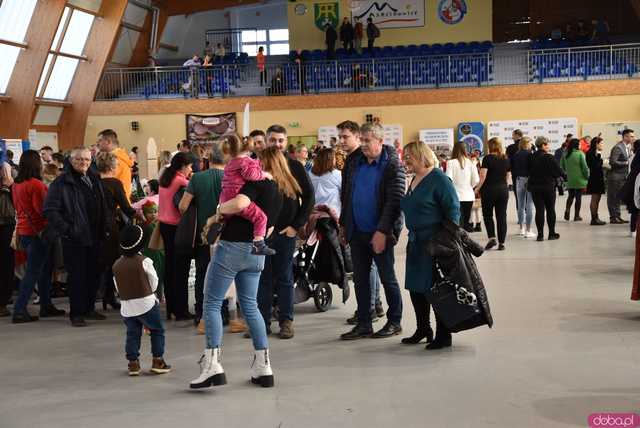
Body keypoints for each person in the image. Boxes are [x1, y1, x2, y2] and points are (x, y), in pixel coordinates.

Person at [190, 146, 291, 390]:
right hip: (256, 253)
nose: (252, 163)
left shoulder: (254, 185)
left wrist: (216, 212)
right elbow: (269, 226)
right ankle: (263, 365)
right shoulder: (280, 190)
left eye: (256, 160)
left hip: (232, 248)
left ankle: (212, 364)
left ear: (263, 163)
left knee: (212, 303)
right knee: (251, 306)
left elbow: (239, 203)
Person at [339, 122, 405, 340]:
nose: (364, 145)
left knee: (387, 278)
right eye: (362, 140)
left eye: (368, 141)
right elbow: (346, 196)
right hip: (357, 231)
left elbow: (395, 201)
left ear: (380, 141)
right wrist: (343, 224)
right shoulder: (354, 162)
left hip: (380, 233)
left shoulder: (392, 164)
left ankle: (394, 321)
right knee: (360, 279)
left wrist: (383, 231)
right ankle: (365, 323)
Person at [256, 125, 314, 339]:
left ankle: (286, 321)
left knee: (284, 278)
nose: (277, 144)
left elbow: (309, 197)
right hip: (261, 235)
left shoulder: (295, 167)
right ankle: (261, 322)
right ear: (266, 141)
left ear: (286, 141)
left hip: (285, 233)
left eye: (281, 140)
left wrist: (296, 226)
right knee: (262, 279)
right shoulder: (257, 166)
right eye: (273, 140)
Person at [401, 141, 460, 349]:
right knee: (416, 288)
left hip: (435, 243)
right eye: (404, 156)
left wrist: (445, 242)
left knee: (436, 290)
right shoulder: (415, 179)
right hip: (416, 242)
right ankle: (423, 328)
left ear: (421, 156)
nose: (404, 160)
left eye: (409, 156)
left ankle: (444, 334)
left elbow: (453, 212)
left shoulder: (439, 180)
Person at [44, 147, 109, 327]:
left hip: (95, 236)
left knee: (93, 274)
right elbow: (50, 210)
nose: (84, 163)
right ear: (71, 161)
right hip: (75, 238)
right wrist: (67, 229)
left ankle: (89, 308)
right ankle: (77, 313)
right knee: (77, 276)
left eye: (87, 160)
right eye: (79, 160)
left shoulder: (94, 179)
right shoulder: (62, 182)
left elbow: (102, 205)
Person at [337, 120, 384, 324]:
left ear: (358, 136)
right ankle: (376, 304)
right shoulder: (351, 159)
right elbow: (347, 194)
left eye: (345, 136)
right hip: (354, 219)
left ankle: (370, 307)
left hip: (367, 222)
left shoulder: (362, 159)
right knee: (366, 267)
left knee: (366, 268)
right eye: (340, 137)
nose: (341, 141)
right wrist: (343, 222)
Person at [11, 150, 66, 323]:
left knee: (43, 270)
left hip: (25, 230)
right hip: (40, 232)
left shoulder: (16, 184)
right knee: (34, 272)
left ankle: (46, 305)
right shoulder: (36, 184)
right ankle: (19, 310)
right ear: (36, 164)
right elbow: (43, 210)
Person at [113, 224, 171, 376]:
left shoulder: (117, 265)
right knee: (157, 330)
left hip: (127, 306)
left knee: (132, 333)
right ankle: (158, 360)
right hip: (146, 303)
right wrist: (151, 294)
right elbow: (154, 281)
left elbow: (117, 286)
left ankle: (133, 363)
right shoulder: (144, 261)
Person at [178, 144, 225, 332]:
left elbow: (182, 206)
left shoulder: (197, 178)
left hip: (203, 235)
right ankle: (224, 313)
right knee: (225, 274)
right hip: (226, 234)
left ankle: (201, 313)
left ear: (207, 160)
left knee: (203, 273)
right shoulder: (231, 178)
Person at [218, 135, 275, 256]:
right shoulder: (246, 161)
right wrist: (264, 174)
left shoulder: (230, 162)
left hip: (225, 196)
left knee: (228, 218)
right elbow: (251, 175)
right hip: (237, 195)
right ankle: (258, 244)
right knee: (261, 218)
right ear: (248, 148)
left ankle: (218, 230)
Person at [96, 152, 139, 311]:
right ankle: (110, 294)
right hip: (110, 225)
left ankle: (104, 294)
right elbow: (126, 207)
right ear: (113, 166)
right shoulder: (114, 183)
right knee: (112, 261)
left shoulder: (94, 182)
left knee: (101, 261)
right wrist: (140, 214)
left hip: (95, 226)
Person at [158, 152, 193, 321]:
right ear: (183, 167)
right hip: (177, 228)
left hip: (164, 226)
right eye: (190, 166)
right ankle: (181, 310)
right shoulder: (180, 180)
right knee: (180, 269)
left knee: (169, 268)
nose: (191, 169)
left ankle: (171, 307)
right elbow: (195, 188)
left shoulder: (165, 178)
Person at [476, 137, 510, 251]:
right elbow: (508, 176)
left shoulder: (487, 158)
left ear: (490, 146)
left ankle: (492, 238)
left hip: (489, 190)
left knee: (488, 215)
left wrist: (477, 188)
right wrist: (504, 185)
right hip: (503, 190)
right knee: (501, 216)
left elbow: (482, 176)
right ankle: (502, 243)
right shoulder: (505, 158)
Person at [528, 137, 563, 241]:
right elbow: (558, 170)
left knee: (539, 210)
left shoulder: (531, 157)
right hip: (548, 186)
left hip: (535, 187)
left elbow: (528, 170)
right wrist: (565, 177)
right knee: (550, 209)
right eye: (547, 144)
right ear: (542, 145)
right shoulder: (549, 157)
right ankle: (551, 233)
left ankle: (540, 235)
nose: (548, 146)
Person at [446, 141, 479, 232]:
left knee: (457, 222)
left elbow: (448, 179)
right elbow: (476, 180)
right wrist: (469, 187)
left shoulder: (451, 163)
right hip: (468, 196)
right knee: (465, 222)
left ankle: (458, 243)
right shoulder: (471, 163)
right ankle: (464, 242)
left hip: (455, 196)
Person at [97, 129, 134, 199]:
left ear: (108, 142)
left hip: (116, 205)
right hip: (120, 203)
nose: (97, 143)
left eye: (100, 140)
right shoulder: (119, 156)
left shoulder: (115, 160)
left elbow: (107, 182)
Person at [608, 129, 635, 224]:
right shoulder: (618, 147)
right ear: (625, 137)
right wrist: (626, 163)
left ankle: (618, 216)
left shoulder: (627, 147)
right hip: (615, 177)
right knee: (613, 197)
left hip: (623, 176)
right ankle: (613, 217)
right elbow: (612, 162)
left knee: (618, 197)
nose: (633, 138)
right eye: (631, 136)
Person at [511, 137, 536, 238]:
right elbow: (533, 168)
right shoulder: (531, 154)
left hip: (518, 179)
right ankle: (528, 230)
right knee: (529, 204)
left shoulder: (516, 155)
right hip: (529, 180)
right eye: (530, 143)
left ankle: (521, 228)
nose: (531, 144)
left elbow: (513, 168)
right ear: (527, 144)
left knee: (520, 205)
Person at [560, 138, 589, 222]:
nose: (580, 145)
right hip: (580, 179)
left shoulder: (565, 154)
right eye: (579, 144)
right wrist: (587, 176)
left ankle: (567, 210)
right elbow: (584, 168)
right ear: (576, 145)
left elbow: (562, 166)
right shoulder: (580, 154)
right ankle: (576, 216)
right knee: (578, 197)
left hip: (569, 179)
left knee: (570, 196)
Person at [0, 160, 15, 317]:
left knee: (6, 264)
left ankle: (3, 301)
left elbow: (17, 199)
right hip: (6, 223)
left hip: (7, 224)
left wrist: (9, 184)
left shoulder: (7, 170)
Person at [309, 147, 342, 215]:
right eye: (334, 158)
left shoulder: (310, 174)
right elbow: (343, 192)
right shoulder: (337, 174)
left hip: (314, 213)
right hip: (333, 214)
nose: (335, 160)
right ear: (330, 160)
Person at [586, 137, 606, 225]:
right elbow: (595, 166)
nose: (602, 145)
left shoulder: (596, 153)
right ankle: (593, 219)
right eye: (601, 143)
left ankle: (596, 217)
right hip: (594, 179)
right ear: (596, 144)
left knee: (598, 199)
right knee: (594, 199)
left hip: (599, 178)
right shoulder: (590, 153)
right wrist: (601, 159)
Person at [506, 129, 523, 213]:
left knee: (518, 195)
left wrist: (507, 171)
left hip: (516, 174)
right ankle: (528, 215)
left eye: (513, 135)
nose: (512, 137)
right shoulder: (531, 146)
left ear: (516, 135)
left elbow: (507, 163)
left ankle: (520, 216)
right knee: (528, 195)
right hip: (528, 175)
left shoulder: (510, 148)